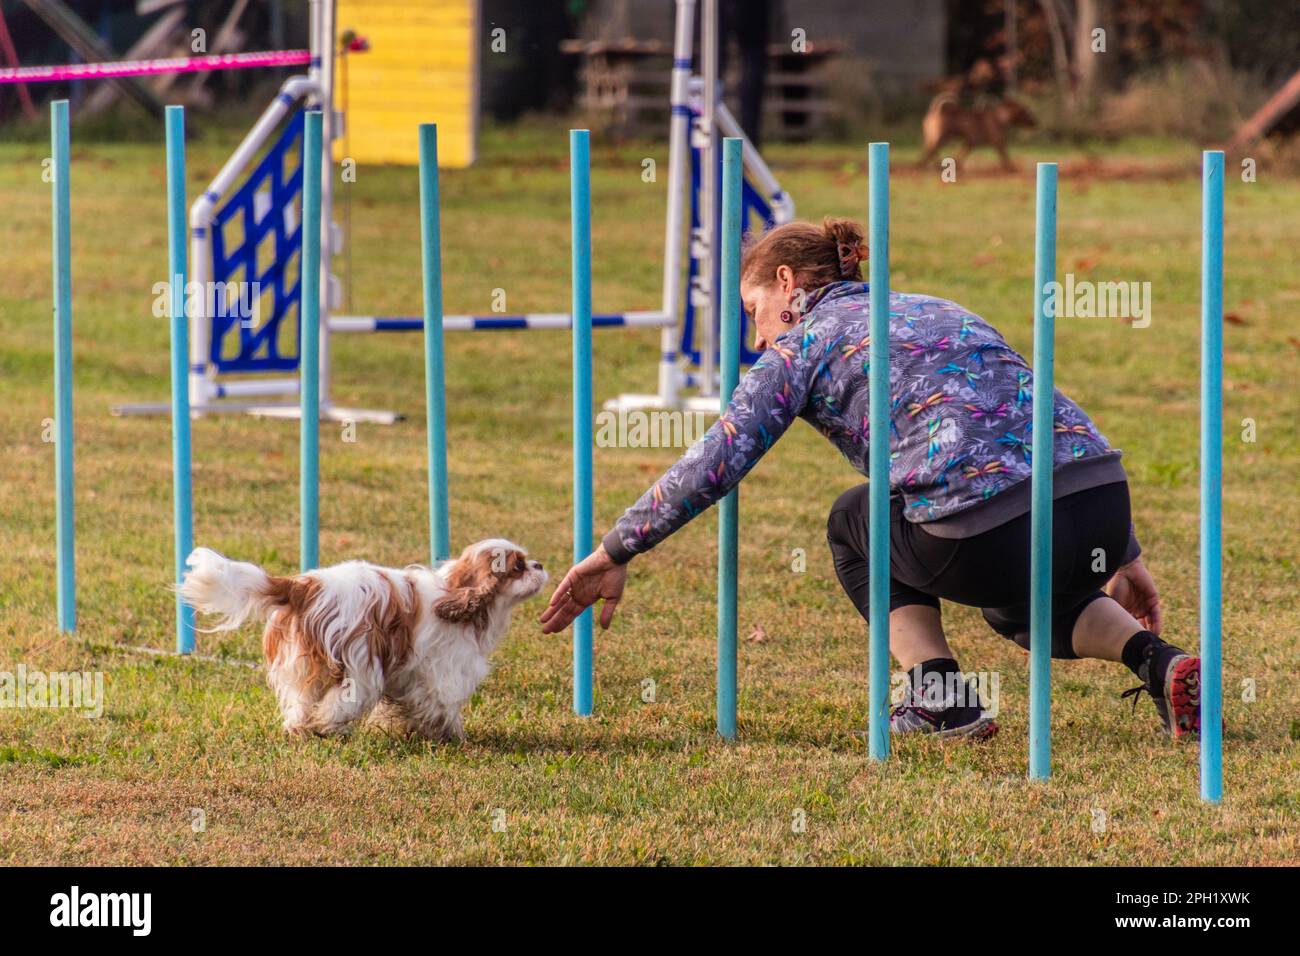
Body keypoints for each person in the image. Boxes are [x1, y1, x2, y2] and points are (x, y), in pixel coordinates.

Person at [540, 218, 1201, 741]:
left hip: (995, 530)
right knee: (1016, 598)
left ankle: (939, 697)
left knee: (855, 521)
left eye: (754, 312)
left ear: (785, 281)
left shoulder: (803, 343)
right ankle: (1159, 661)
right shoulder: (936, 307)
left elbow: (717, 460)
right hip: (1100, 501)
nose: (757, 338)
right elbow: (1032, 416)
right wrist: (1125, 549)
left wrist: (616, 549)